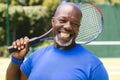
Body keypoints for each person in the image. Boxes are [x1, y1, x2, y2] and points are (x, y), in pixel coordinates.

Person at [6, 2, 109, 80]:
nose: (68, 26)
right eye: (62, 20)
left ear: (78, 28)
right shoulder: (36, 56)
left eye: (74, 24)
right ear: (53, 22)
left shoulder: (94, 66)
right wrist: (16, 59)